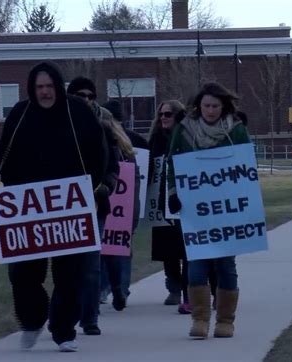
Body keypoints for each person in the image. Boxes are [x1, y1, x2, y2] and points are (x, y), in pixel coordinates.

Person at [0, 62, 107, 352]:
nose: (45, 92)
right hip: (30, 208)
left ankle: (64, 331)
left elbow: (99, 154)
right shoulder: (20, 115)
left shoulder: (78, 113)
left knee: (70, 273)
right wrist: (13, 191)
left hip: (71, 206)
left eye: (49, 86)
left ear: (57, 86)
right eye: (39, 87)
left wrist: (93, 190)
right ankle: (33, 320)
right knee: (22, 273)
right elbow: (3, 157)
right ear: (32, 89)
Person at [167, 82, 250, 339]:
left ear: (223, 106)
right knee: (196, 264)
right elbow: (172, 163)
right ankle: (200, 319)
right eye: (206, 106)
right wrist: (173, 194)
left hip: (227, 210)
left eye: (215, 106)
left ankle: (225, 320)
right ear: (198, 105)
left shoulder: (235, 131)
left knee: (226, 264)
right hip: (195, 209)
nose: (211, 110)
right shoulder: (184, 131)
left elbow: (247, 166)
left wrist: (246, 201)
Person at [66, 76, 120, 333]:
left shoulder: (104, 128)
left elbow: (114, 167)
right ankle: (65, 316)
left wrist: (106, 187)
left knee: (90, 263)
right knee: (66, 266)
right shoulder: (58, 128)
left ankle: (90, 318)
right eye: (79, 95)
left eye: (90, 95)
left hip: (96, 204)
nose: (85, 100)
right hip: (64, 207)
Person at [148, 100, 193, 314]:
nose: (163, 117)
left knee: (186, 249)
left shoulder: (186, 138)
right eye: (161, 114)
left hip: (182, 201)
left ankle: (189, 291)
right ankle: (173, 288)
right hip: (161, 202)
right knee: (168, 250)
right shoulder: (155, 140)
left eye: (168, 114)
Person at [102, 99, 147, 301]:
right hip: (121, 207)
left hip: (117, 205)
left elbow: (134, 181)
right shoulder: (131, 143)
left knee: (108, 248)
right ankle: (120, 289)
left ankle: (109, 290)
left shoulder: (121, 144)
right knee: (120, 247)